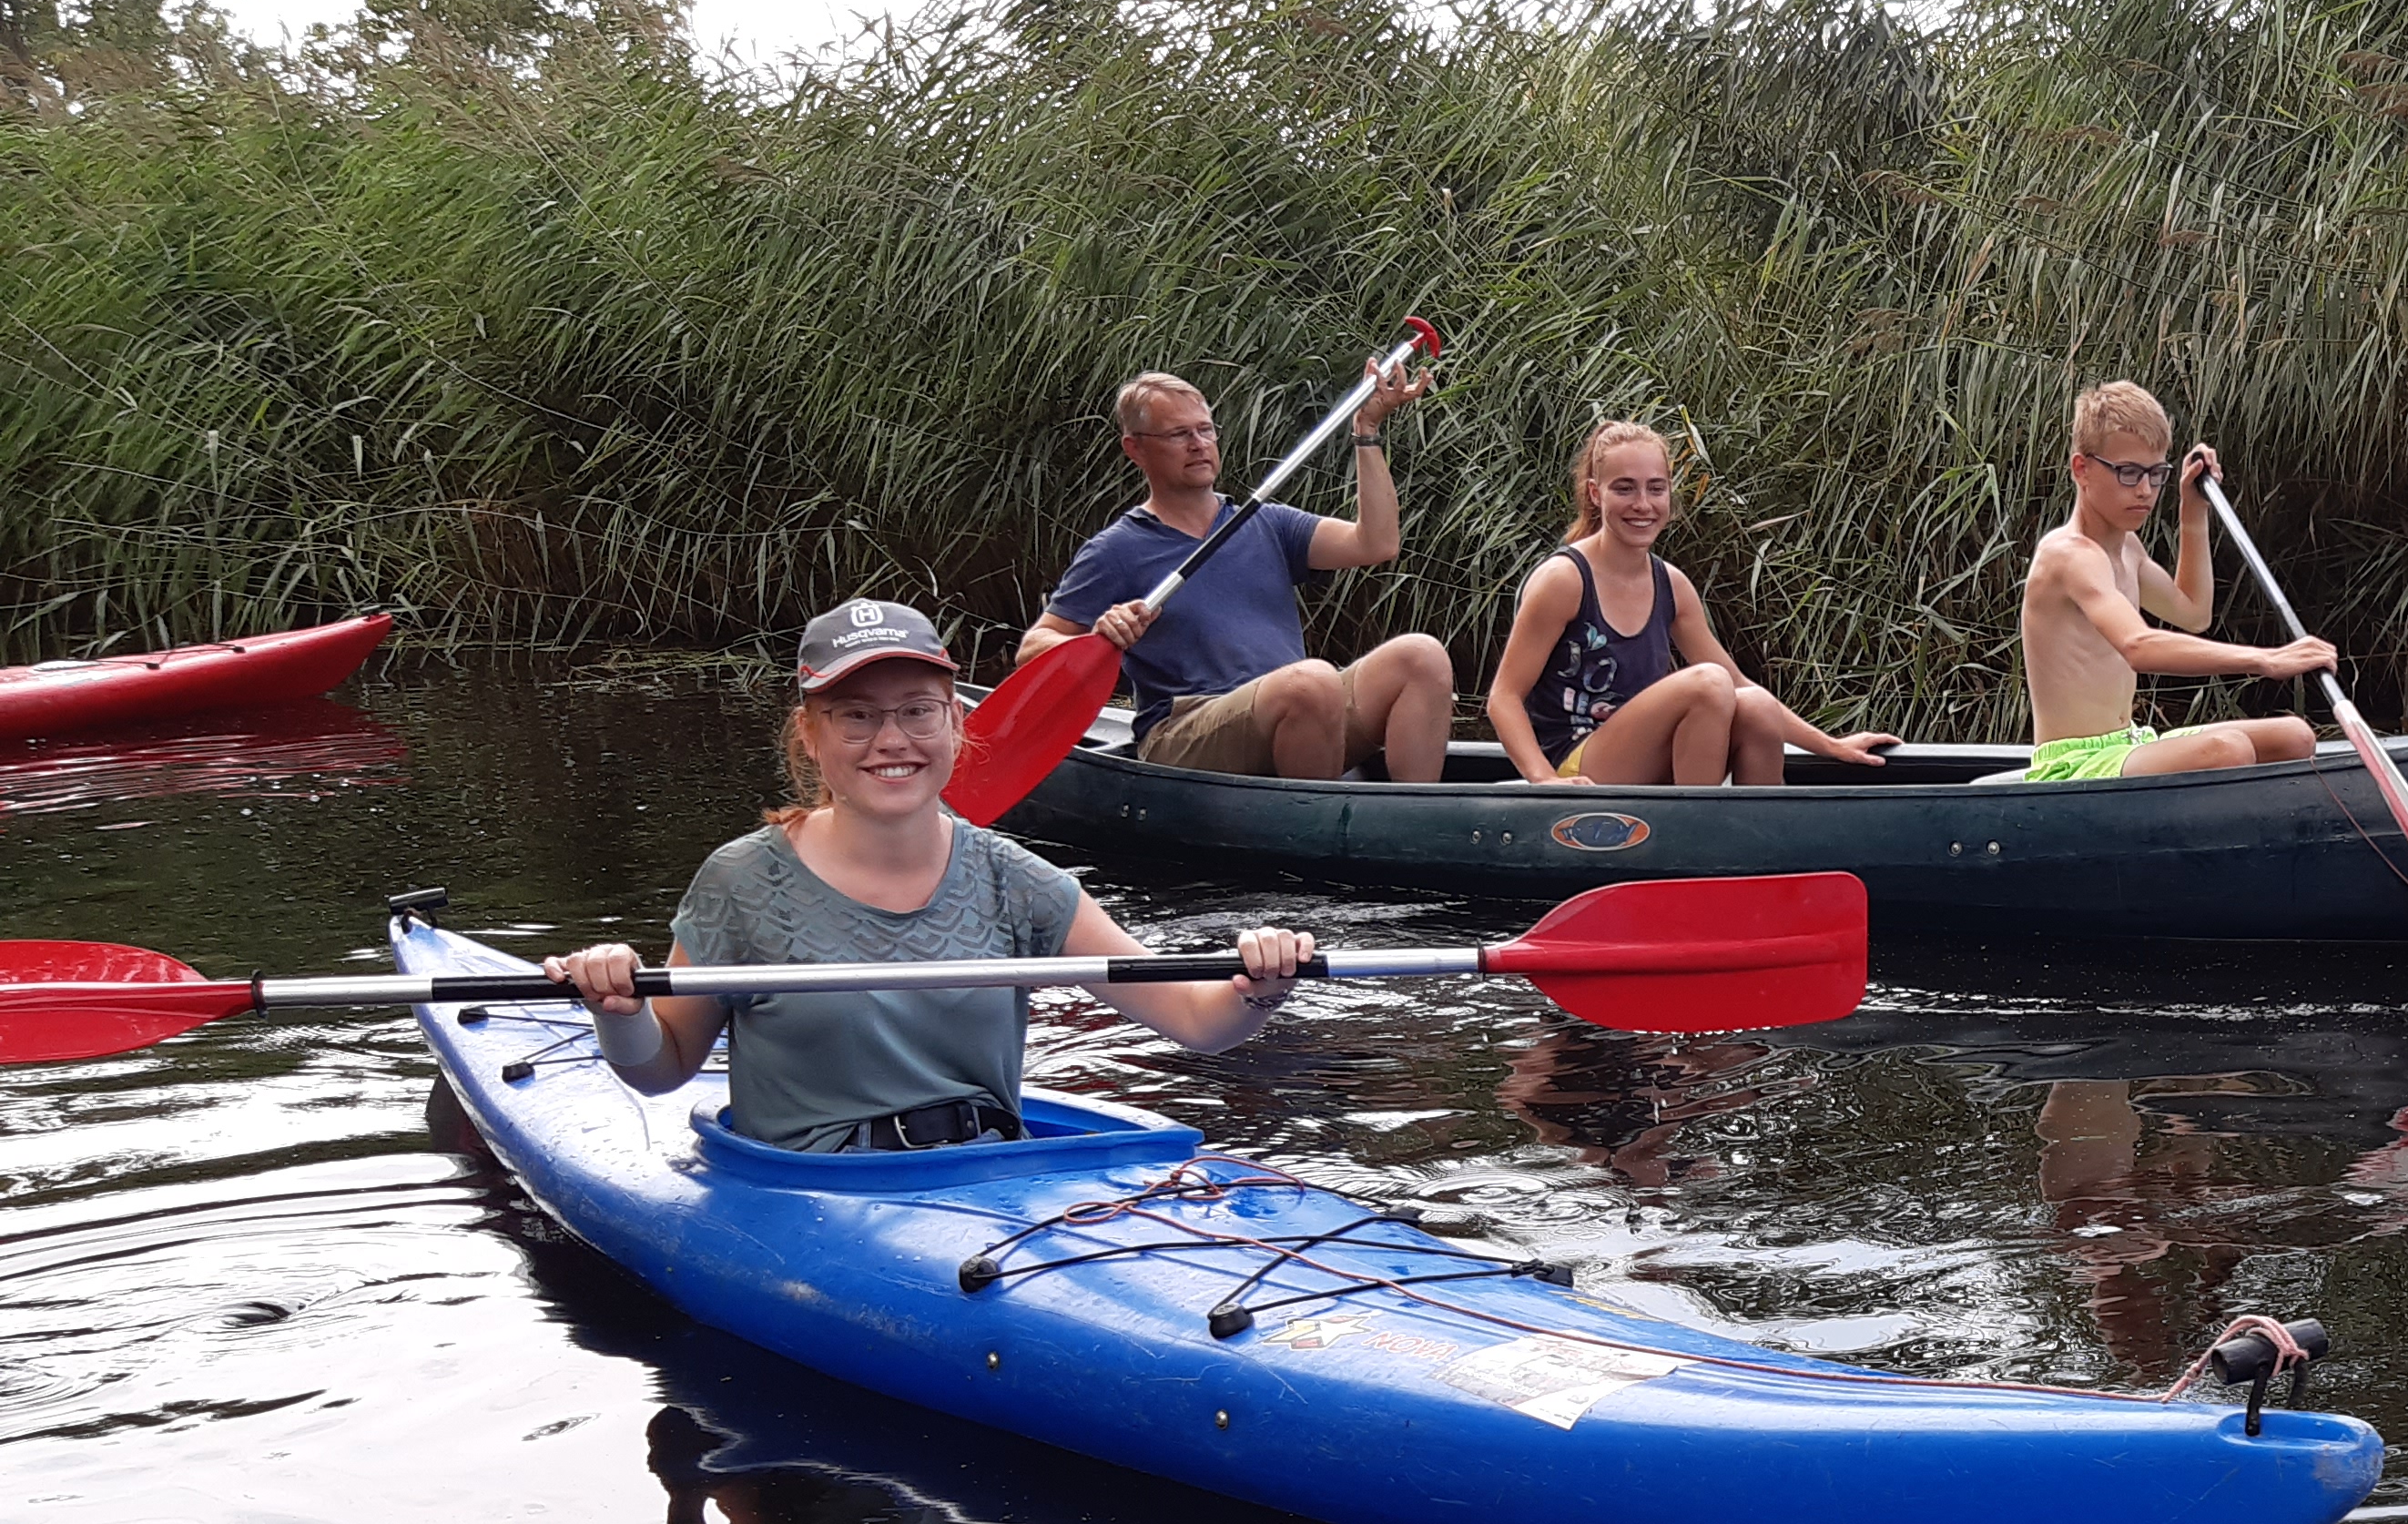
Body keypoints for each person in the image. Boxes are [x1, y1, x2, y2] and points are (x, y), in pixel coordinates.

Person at [548, 599, 1317, 1153]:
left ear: (956, 727)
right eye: (856, 715)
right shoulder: (741, 882)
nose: (892, 740)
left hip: (992, 1181)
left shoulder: (1012, 878)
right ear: (810, 737)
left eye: (918, 711)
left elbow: (1198, 1019)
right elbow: (663, 1069)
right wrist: (617, 1009)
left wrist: (1261, 982)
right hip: (809, 1195)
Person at [1023, 357, 1454, 778]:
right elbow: (1033, 650)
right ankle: (1311, 832)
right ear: (1135, 448)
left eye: (1205, 430)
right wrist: (1103, 632)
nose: (1198, 445)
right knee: (1311, 682)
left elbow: (1376, 543)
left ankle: (1416, 829)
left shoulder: (1266, 522)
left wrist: (1367, 430)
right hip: (1185, 730)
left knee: (1421, 656)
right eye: (1178, 435)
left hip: (1299, 707)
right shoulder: (1118, 549)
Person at [1487, 421, 1898, 786]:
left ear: (1669, 492)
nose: (1643, 505)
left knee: (1755, 706)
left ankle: (1762, 846)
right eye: (1624, 488)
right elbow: (1503, 697)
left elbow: (1740, 683)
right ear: (1596, 494)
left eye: (1656, 488)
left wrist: (1830, 745)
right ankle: (1697, 833)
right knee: (1707, 684)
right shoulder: (1564, 579)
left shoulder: (1672, 584)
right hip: (1577, 765)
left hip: (1643, 755)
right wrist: (1542, 780)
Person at [2017, 381, 2333, 780]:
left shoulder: (2128, 549)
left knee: (2295, 737)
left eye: (2156, 473)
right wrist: (2264, 659)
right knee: (2228, 750)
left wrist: (2192, 509)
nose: (2146, 491)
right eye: (2128, 473)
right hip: (2072, 765)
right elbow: (2139, 646)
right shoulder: (2070, 555)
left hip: (2130, 743)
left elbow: (2192, 611)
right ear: (2082, 469)